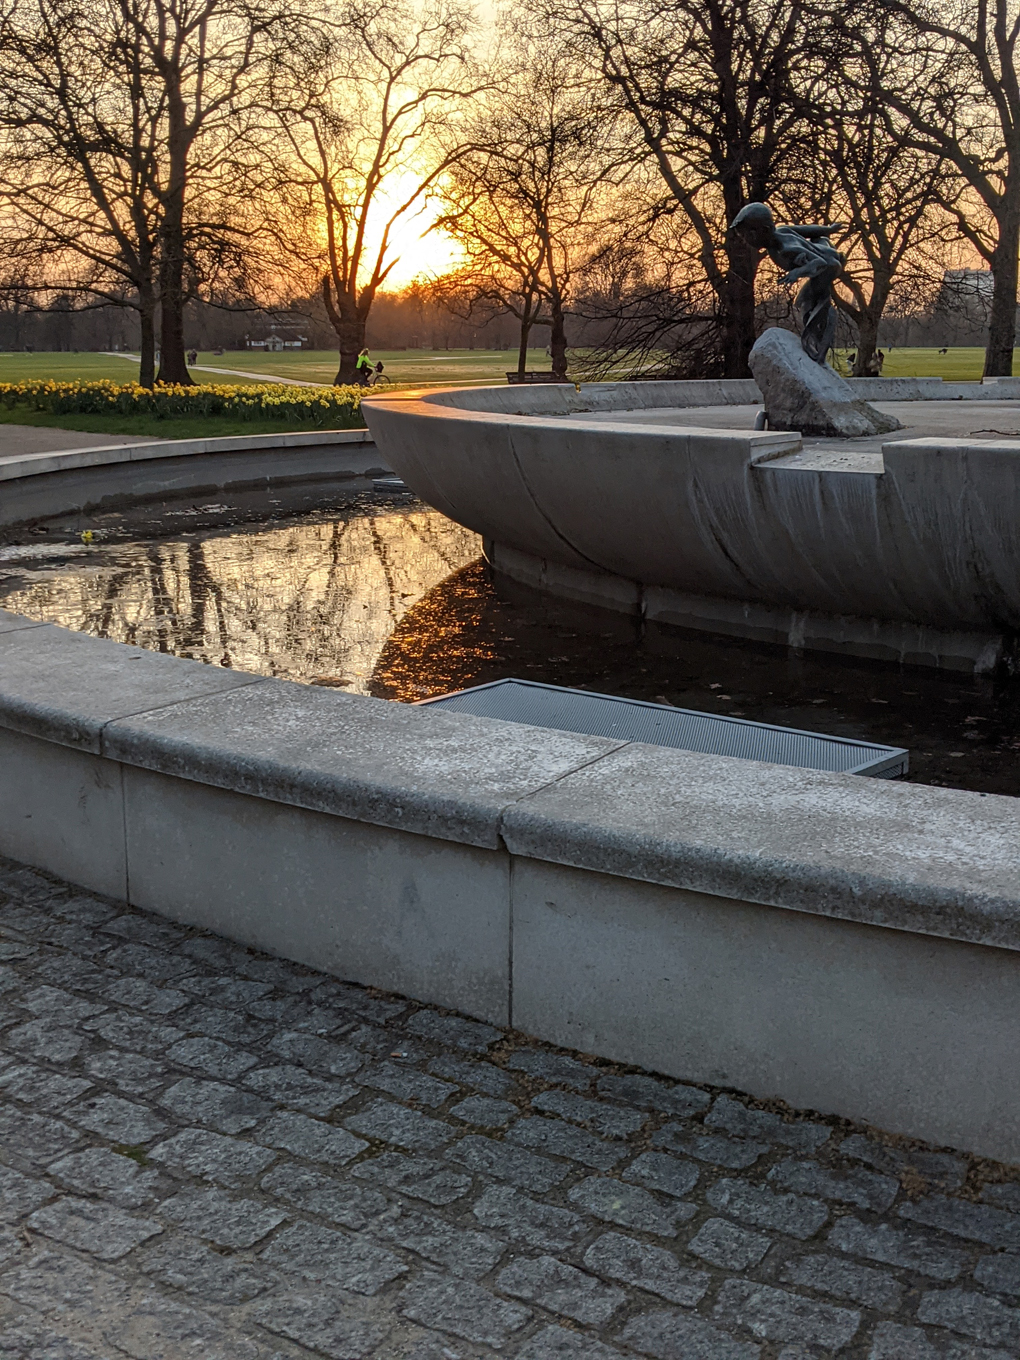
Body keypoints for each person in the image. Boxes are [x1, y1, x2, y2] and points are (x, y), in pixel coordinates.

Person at [729, 202, 845, 363]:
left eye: (748, 235)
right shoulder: (781, 231)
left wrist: (796, 272)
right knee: (806, 302)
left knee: (806, 304)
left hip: (829, 267)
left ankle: (817, 347)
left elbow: (820, 263)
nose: (746, 240)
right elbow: (807, 230)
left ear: (765, 231)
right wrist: (828, 230)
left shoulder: (785, 249)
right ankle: (817, 344)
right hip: (825, 248)